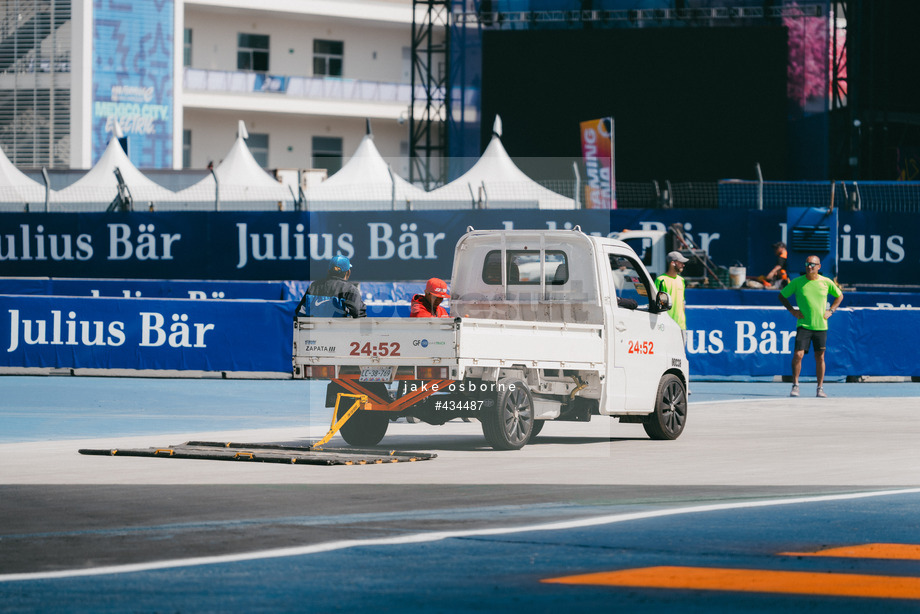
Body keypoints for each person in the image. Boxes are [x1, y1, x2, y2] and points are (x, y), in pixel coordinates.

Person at [778, 255, 844, 398]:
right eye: (808, 263)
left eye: (813, 264)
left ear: (819, 267)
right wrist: (792, 310)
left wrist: (831, 310)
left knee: (820, 357)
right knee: (798, 355)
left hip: (821, 326)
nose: (810, 266)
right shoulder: (797, 282)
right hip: (804, 325)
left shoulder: (826, 282)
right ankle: (795, 385)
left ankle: (820, 388)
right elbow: (782, 296)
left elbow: (839, 296)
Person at [295, 255, 365, 318]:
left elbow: (299, 312)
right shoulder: (350, 289)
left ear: (328, 271)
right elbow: (358, 313)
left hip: (315, 331)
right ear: (348, 272)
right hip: (340, 331)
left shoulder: (314, 286)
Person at [654, 251, 688, 337]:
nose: (683, 265)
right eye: (680, 262)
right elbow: (656, 304)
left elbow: (682, 303)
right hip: (666, 326)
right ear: (673, 263)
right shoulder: (661, 280)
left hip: (681, 326)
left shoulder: (681, 280)